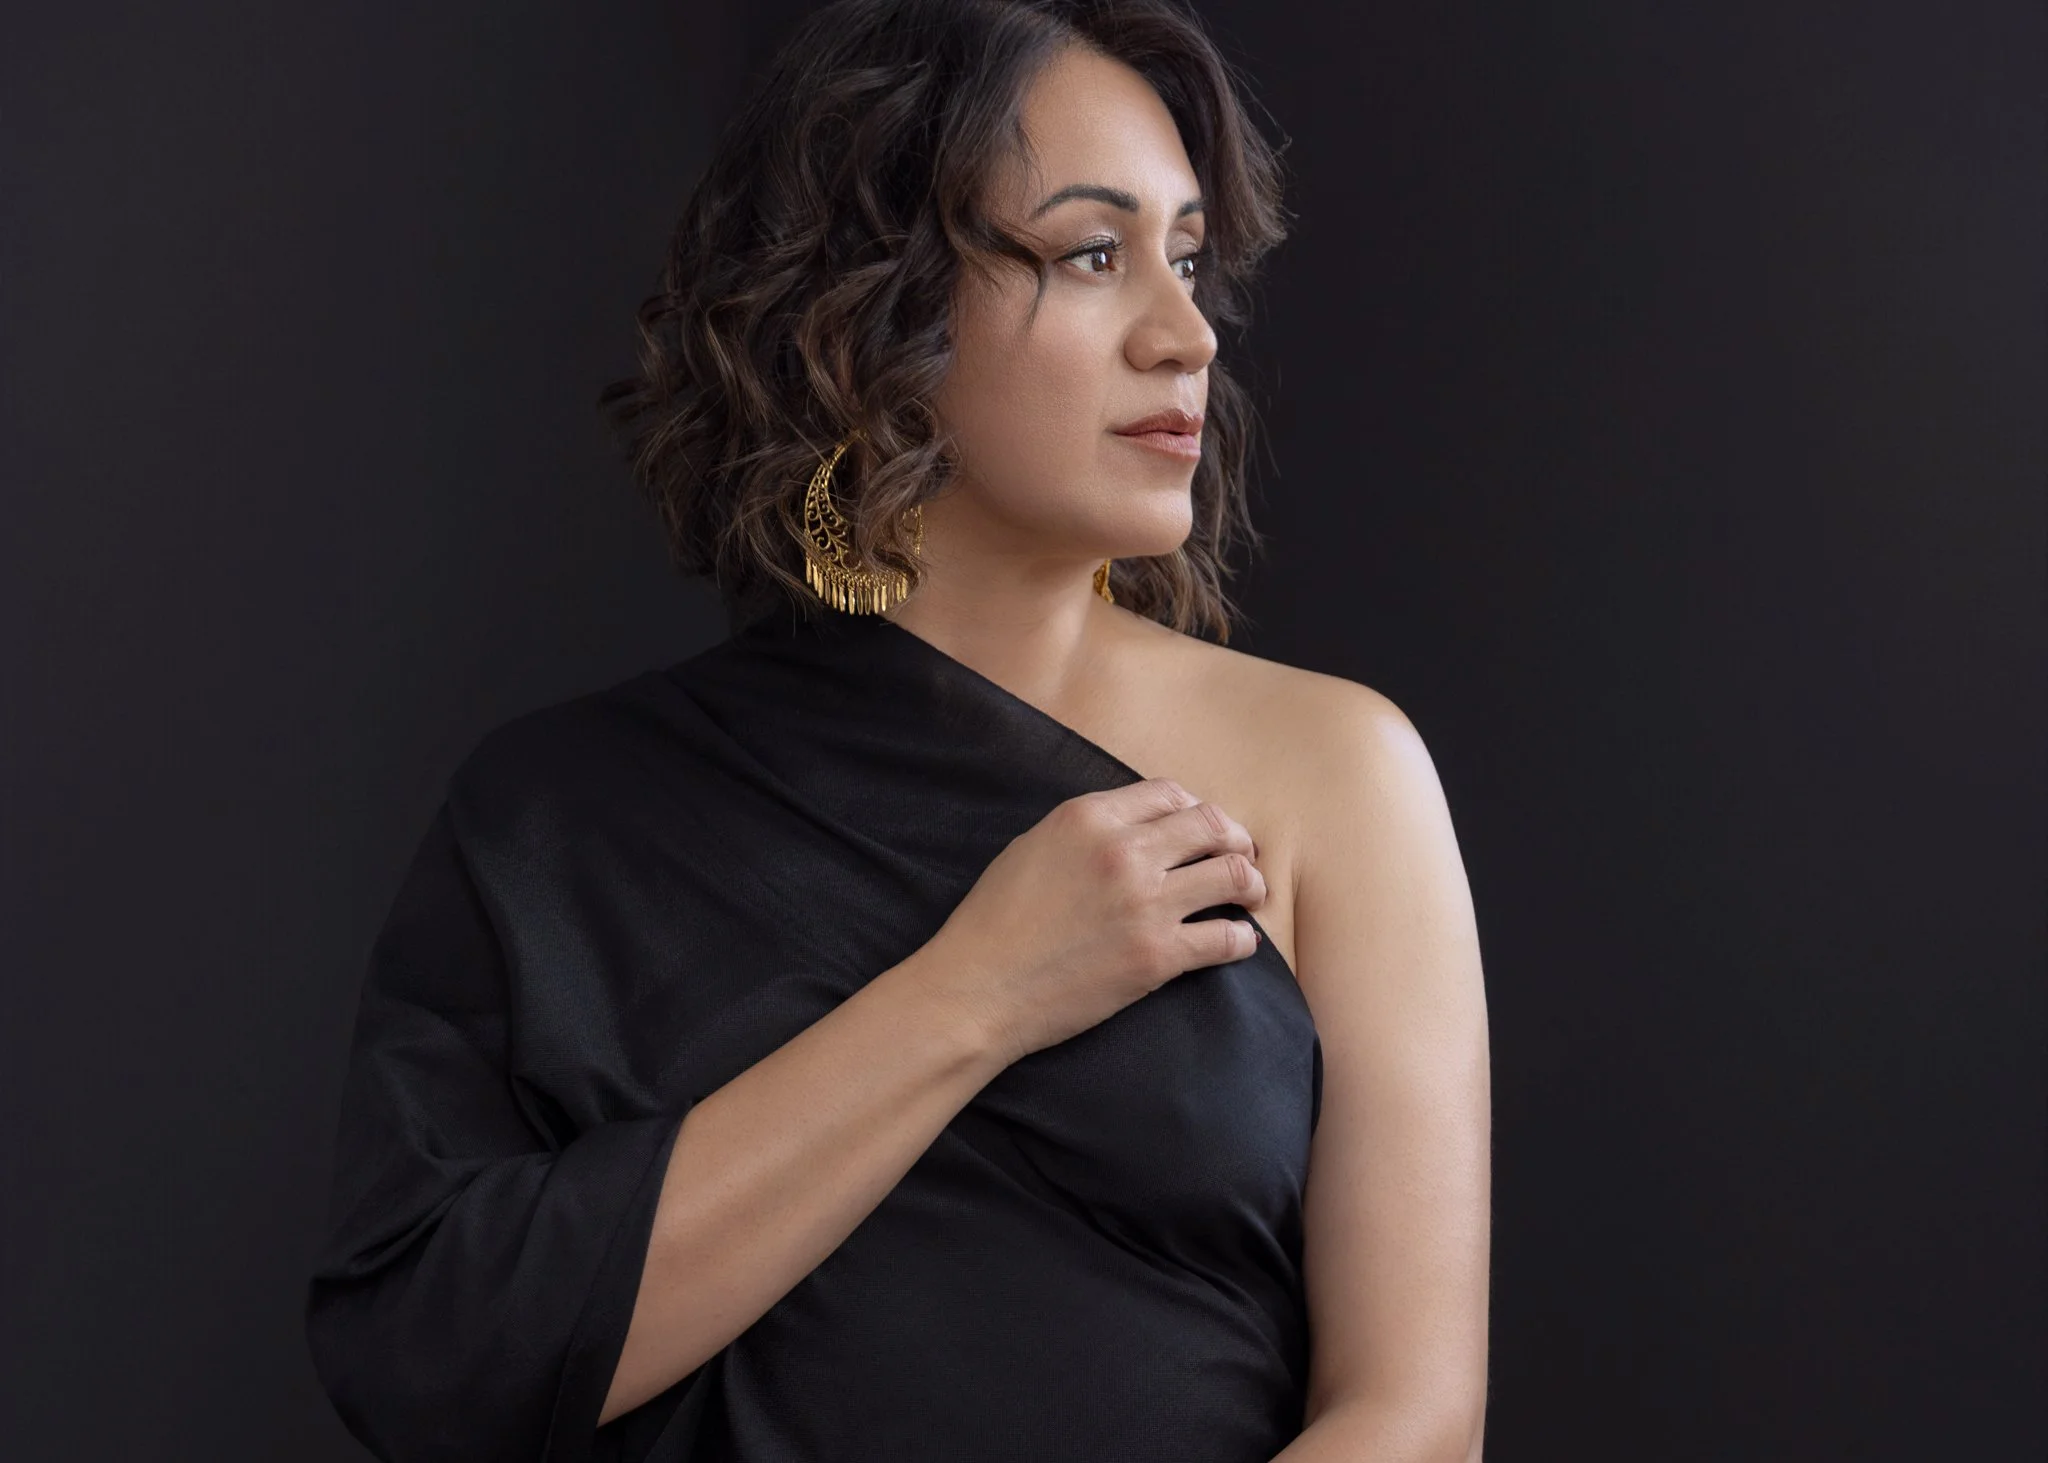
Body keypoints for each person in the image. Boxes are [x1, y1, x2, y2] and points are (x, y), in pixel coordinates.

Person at [304, 0, 1492, 1458]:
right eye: (1092, 254)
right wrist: (977, 992)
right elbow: (438, 1354)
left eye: (1188, 260)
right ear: (871, 309)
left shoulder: (1336, 774)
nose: (1185, 334)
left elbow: (1411, 1412)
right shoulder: (566, 816)